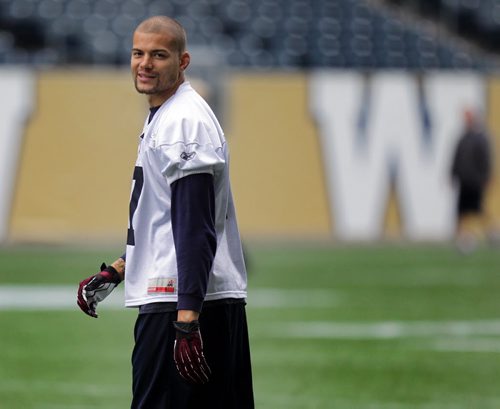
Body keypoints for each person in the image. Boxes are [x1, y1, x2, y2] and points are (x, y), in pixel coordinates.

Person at [77, 16, 254, 409]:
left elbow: (195, 226)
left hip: (181, 303)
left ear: (183, 61)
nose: (145, 63)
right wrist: (120, 269)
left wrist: (186, 320)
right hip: (188, 298)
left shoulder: (182, 120)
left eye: (158, 55)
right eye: (138, 53)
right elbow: (162, 215)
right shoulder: (169, 113)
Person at [450, 108, 493, 253]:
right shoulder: (463, 138)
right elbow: (456, 158)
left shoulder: (480, 138)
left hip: (475, 181)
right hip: (464, 181)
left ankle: (493, 233)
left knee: (478, 210)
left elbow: (485, 159)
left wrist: (486, 177)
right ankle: (465, 239)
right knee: (462, 212)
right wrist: (453, 174)